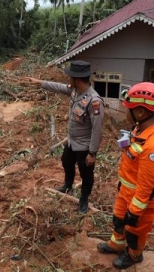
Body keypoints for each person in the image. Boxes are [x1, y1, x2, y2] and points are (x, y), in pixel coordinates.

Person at [97, 82, 154, 269]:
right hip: (127, 191)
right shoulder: (141, 129)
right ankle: (117, 244)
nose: (125, 112)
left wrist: (135, 211)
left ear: (140, 112)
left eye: (128, 109)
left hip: (142, 200)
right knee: (119, 218)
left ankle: (134, 255)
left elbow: (147, 186)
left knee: (135, 230)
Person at [26, 60, 104, 214]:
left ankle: (84, 199)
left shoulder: (94, 102)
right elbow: (59, 87)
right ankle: (67, 185)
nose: (67, 80)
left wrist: (92, 153)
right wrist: (40, 82)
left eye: (70, 77)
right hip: (72, 141)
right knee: (66, 161)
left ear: (77, 80)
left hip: (84, 147)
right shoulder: (75, 91)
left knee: (86, 174)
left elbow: (97, 130)